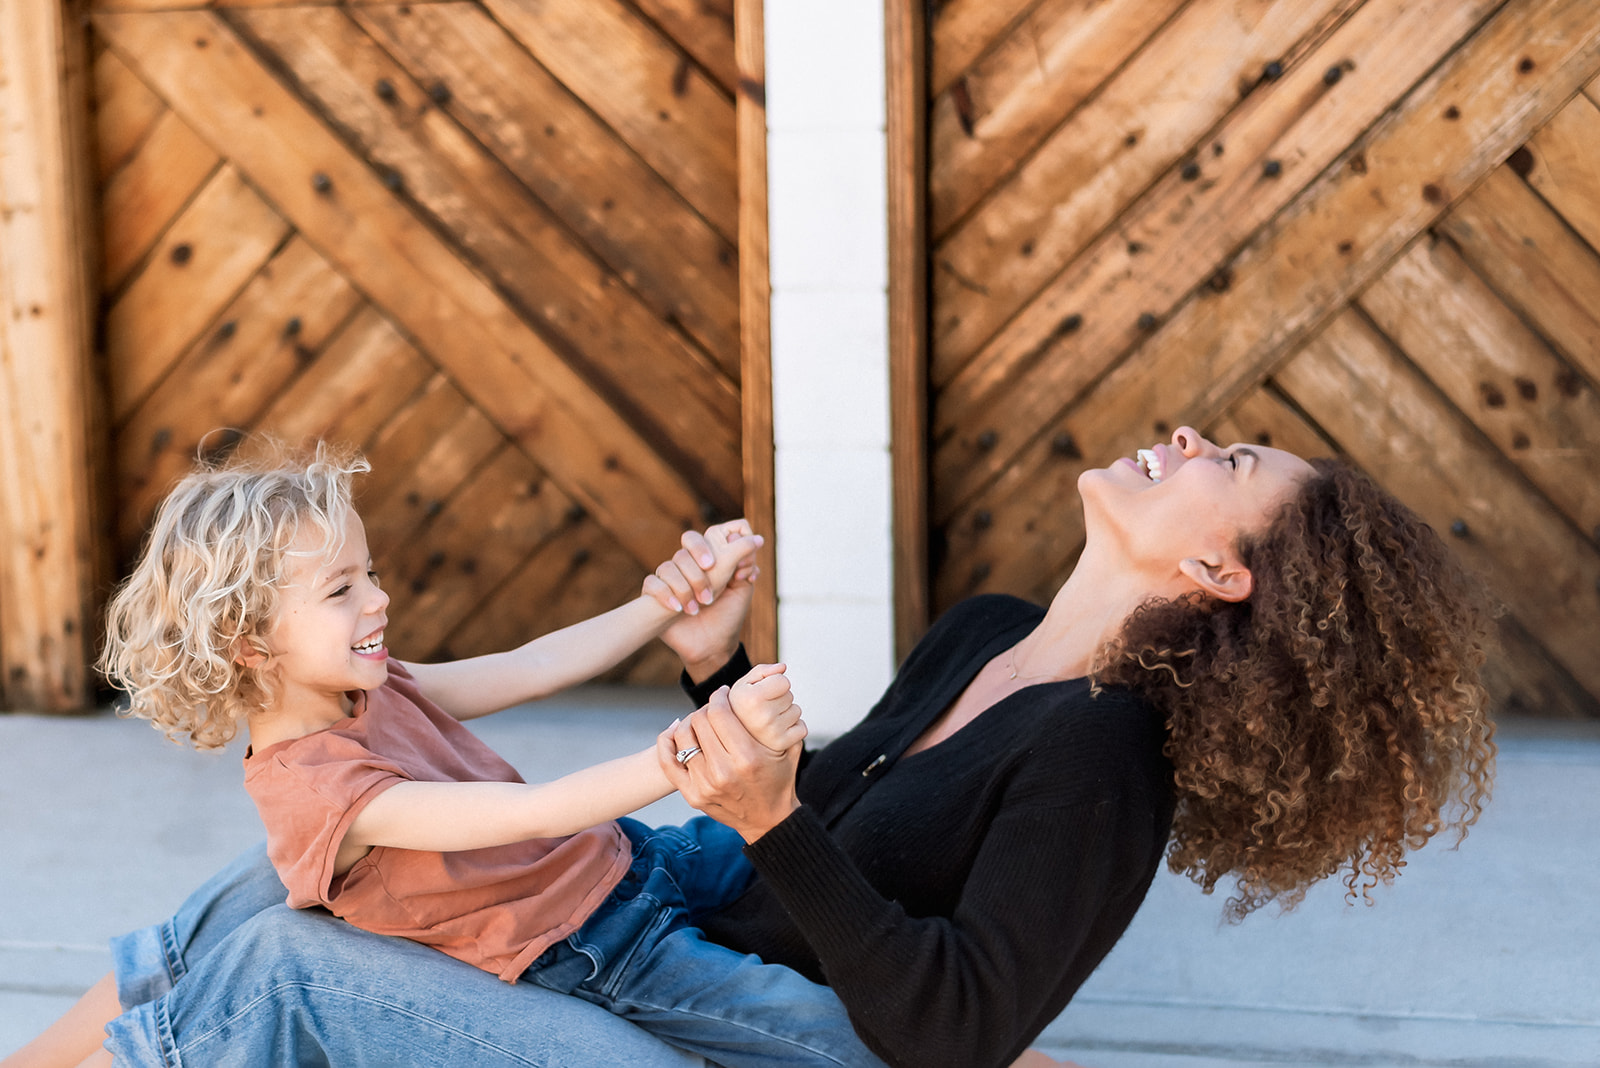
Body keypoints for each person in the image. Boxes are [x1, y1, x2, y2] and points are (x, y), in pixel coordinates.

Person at [7, 428, 1495, 1068]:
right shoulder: (989, 631)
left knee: (282, 962)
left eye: (1224, 464)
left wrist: (756, 817)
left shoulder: (1108, 760)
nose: (1186, 438)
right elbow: (835, 800)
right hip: (679, 914)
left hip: (703, 1009)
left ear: (1223, 574)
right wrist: (714, 659)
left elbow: (953, 1026)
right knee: (273, 887)